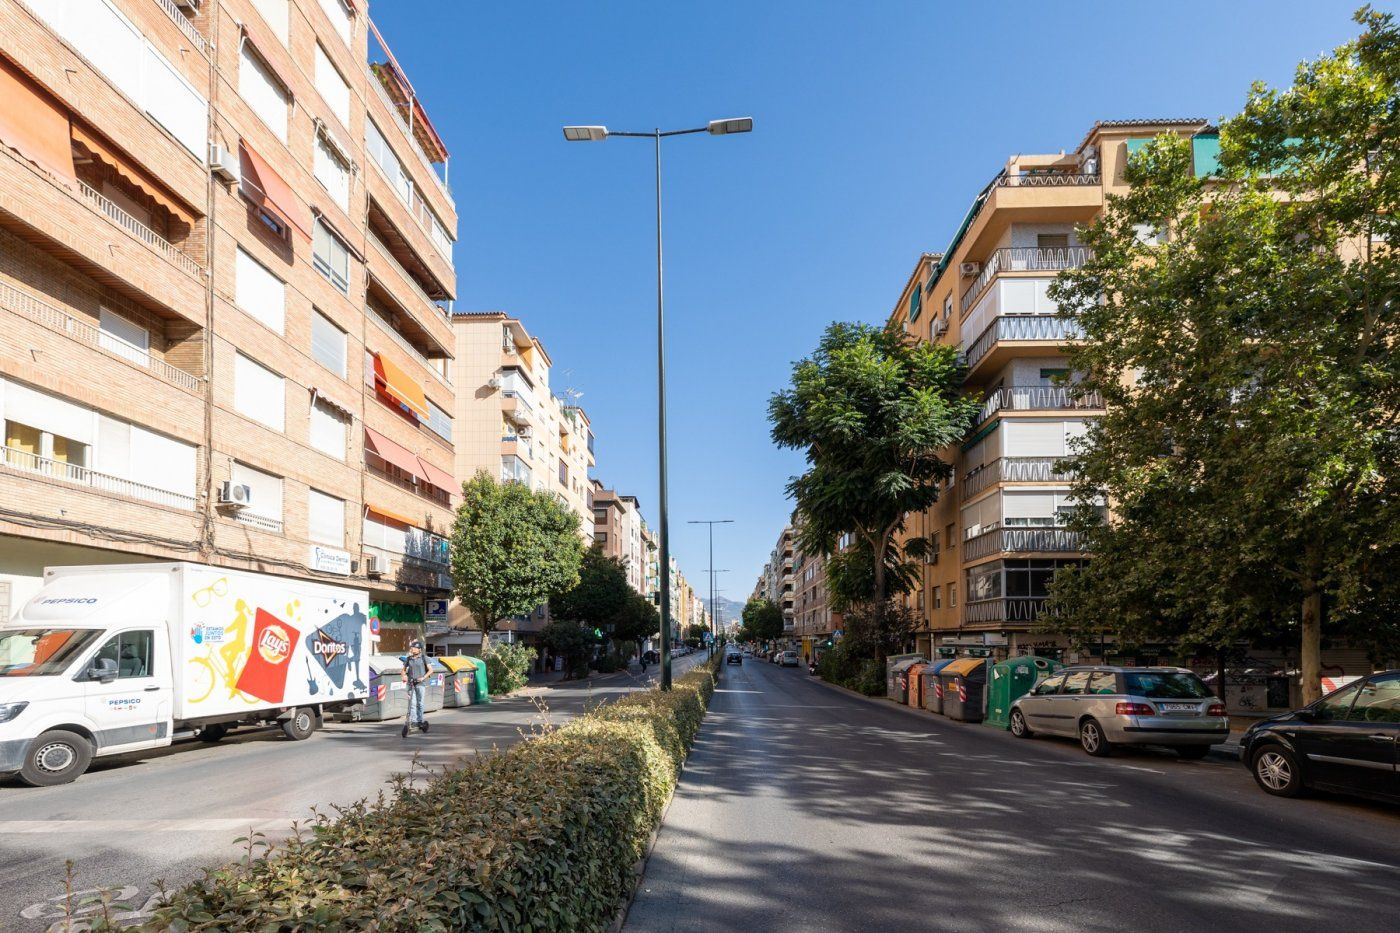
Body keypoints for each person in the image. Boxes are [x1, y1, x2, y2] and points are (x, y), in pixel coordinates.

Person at [401, 640, 430, 739]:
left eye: (414, 647)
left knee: (420, 703)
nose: (412, 649)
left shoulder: (424, 658)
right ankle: (414, 721)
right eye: (412, 647)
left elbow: (431, 670)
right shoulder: (409, 659)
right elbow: (403, 670)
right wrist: (403, 676)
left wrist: (423, 677)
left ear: (419, 649)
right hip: (411, 683)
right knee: (412, 704)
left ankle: (420, 720)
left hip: (421, 684)